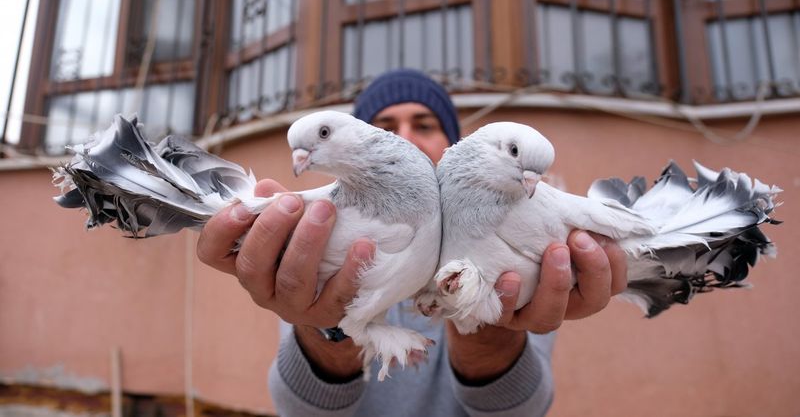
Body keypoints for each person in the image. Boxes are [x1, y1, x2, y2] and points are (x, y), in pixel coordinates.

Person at [196, 69, 627, 416]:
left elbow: (516, 411)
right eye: (386, 127)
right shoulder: (318, 233)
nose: (404, 138)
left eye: (424, 124)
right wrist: (327, 322)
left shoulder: (520, 234)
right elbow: (301, 409)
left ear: (455, 145)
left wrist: (485, 324)